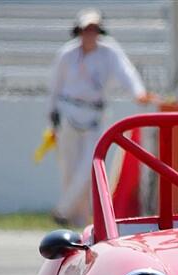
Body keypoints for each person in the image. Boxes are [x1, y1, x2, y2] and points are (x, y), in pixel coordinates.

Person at [48, 8, 153, 226]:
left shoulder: (109, 51)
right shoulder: (66, 54)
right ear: (79, 31)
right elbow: (54, 86)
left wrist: (138, 92)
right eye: (86, 29)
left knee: (90, 167)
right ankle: (78, 219)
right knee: (68, 167)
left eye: (94, 29)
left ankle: (62, 210)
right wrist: (52, 114)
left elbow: (127, 72)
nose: (90, 34)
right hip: (68, 113)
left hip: (95, 115)